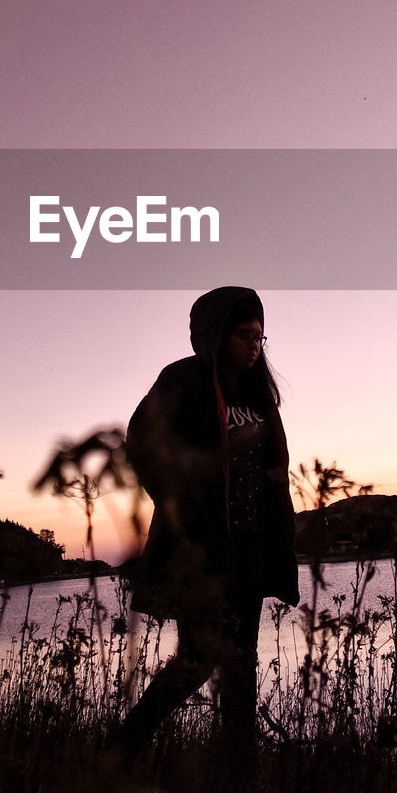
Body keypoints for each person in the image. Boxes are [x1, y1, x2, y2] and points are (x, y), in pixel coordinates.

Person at [114, 286, 299, 759]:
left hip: (252, 549)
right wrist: (181, 503)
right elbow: (142, 443)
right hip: (204, 550)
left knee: (241, 659)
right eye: (243, 334)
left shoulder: (261, 398)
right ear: (217, 335)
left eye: (260, 335)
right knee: (198, 659)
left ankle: (239, 771)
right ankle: (122, 748)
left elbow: (273, 475)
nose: (254, 344)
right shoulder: (183, 379)